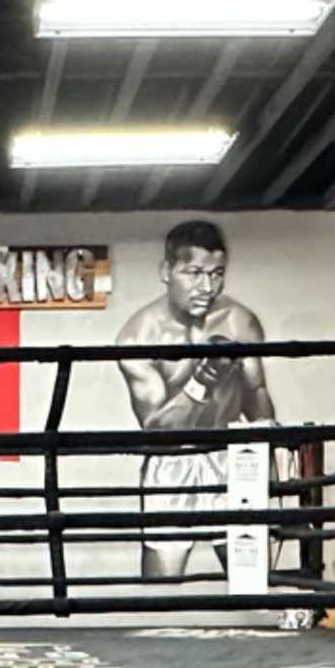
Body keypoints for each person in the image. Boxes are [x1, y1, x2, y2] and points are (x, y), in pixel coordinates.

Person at [114, 218, 272, 581]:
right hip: (173, 461)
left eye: (217, 273)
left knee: (251, 579)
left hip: (230, 453)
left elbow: (256, 394)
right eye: (194, 272)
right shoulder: (139, 337)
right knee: (162, 585)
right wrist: (204, 378)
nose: (207, 286)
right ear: (166, 271)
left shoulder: (240, 322)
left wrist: (272, 453)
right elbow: (157, 431)